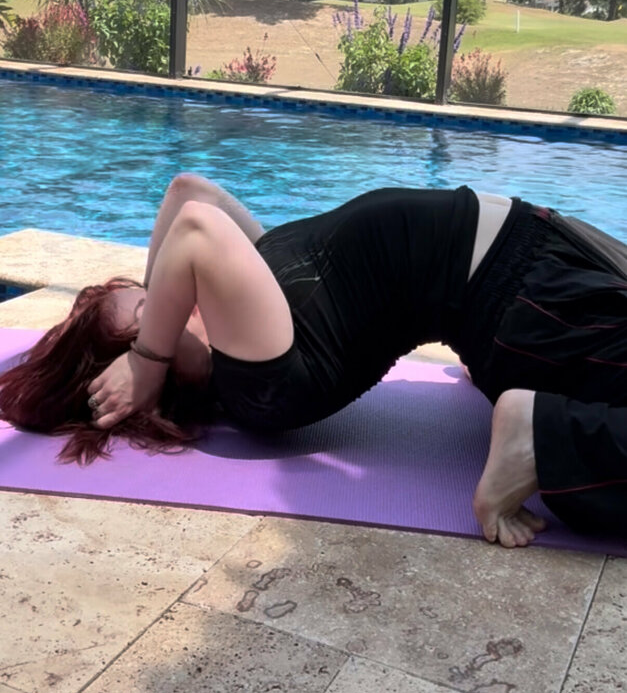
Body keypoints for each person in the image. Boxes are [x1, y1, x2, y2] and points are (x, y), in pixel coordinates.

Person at [0, 173, 625, 549]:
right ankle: (542, 434)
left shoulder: (248, 313)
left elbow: (189, 190)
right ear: (161, 377)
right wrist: (146, 358)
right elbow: (194, 226)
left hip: (527, 285)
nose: (170, 293)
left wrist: (151, 334)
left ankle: (535, 409)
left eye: (158, 289)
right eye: (153, 309)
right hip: (535, 296)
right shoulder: (258, 382)